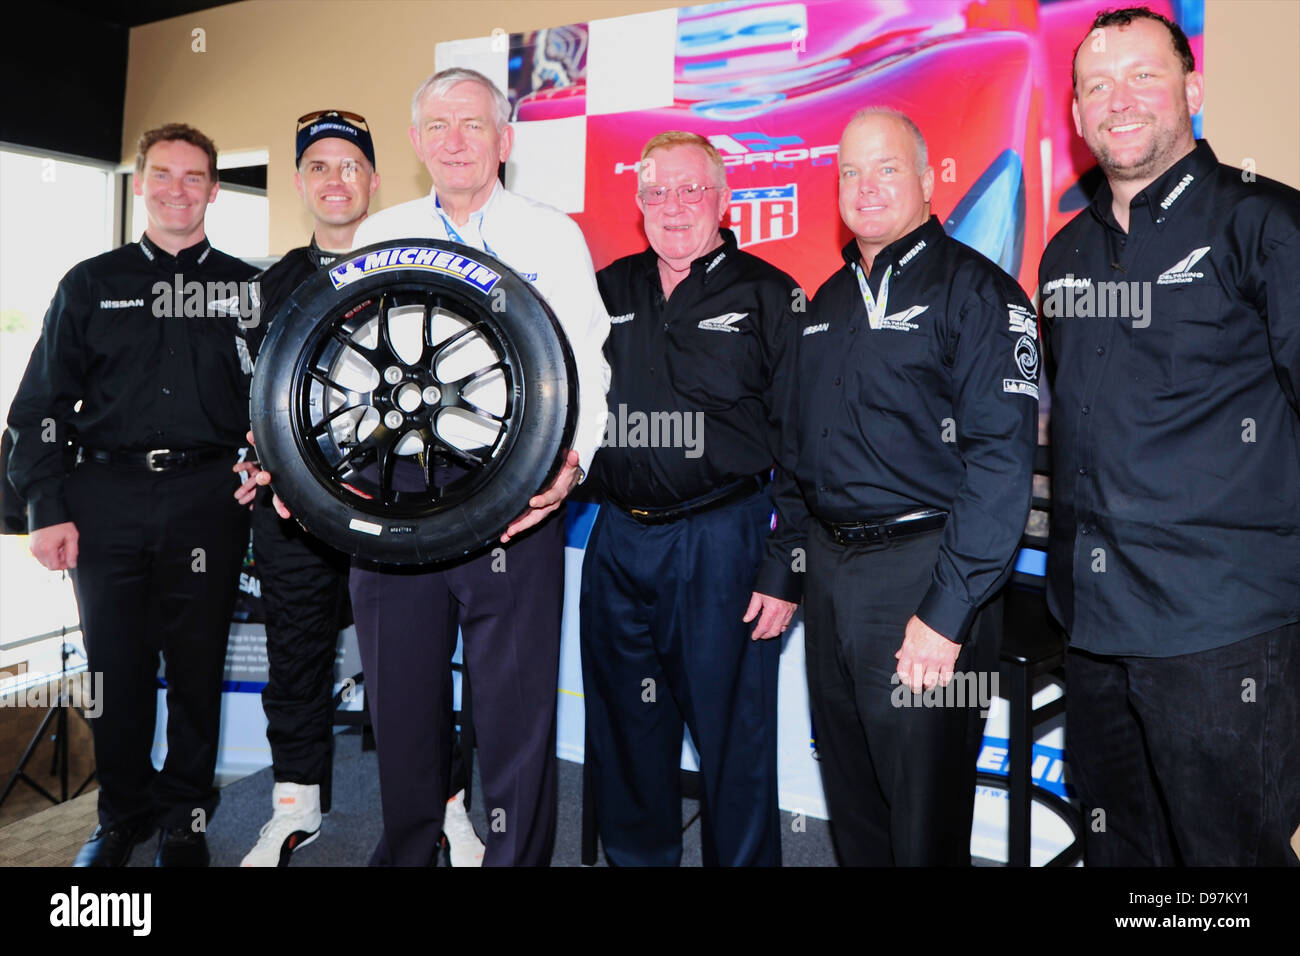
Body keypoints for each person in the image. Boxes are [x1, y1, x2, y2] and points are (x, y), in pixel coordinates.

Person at [249, 68, 610, 866]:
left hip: (516, 493)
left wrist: (571, 465)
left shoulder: (554, 236)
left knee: (516, 714)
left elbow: (589, 365)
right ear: (415, 143)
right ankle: (408, 851)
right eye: (438, 126)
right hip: (393, 492)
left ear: (504, 140)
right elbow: (339, 371)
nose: (455, 140)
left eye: (474, 125)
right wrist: (304, 473)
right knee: (403, 701)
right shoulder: (386, 233)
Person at [1040, 7, 1300, 866]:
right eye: (1096, 85)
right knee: (1124, 858)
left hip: (1223, 636)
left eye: (1143, 75)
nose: (1120, 100)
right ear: (1075, 115)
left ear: (1192, 88)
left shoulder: (1267, 226)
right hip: (1093, 631)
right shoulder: (1063, 257)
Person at [6, 123, 257, 867]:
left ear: (213, 190)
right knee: (112, 670)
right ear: (141, 183)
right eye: (164, 175)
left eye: (193, 177)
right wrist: (45, 509)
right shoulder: (90, 283)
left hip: (209, 498)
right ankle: (120, 815)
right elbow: (39, 407)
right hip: (105, 496)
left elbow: (277, 400)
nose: (178, 189)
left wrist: (261, 464)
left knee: (197, 663)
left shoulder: (248, 289)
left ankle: (186, 814)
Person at [795, 108, 1037, 865]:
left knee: (922, 823)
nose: (866, 188)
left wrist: (947, 611)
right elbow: (799, 456)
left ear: (930, 180)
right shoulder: (826, 304)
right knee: (857, 807)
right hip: (831, 579)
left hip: (926, 577)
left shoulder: (980, 294)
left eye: (887, 168)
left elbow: (1003, 464)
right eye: (850, 172)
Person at [579, 131, 803, 866]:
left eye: (689, 189)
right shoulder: (604, 291)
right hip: (615, 541)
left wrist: (785, 566)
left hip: (723, 544)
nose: (672, 206)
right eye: (655, 192)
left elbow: (805, 443)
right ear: (638, 202)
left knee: (732, 739)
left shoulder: (771, 296)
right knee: (625, 731)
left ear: (723, 198)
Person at [235, 110, 376, 866]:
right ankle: (296, 806)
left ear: (373, 180)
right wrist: (245, 459)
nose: (334, 179)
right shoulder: (267, 287)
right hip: (291, 511)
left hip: (397, 504)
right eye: (319, 166)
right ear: (300, 183)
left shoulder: (412, 258)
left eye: (349, 165)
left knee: (413, 658)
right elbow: (241, 399)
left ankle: (444, 802)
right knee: (296, 655)